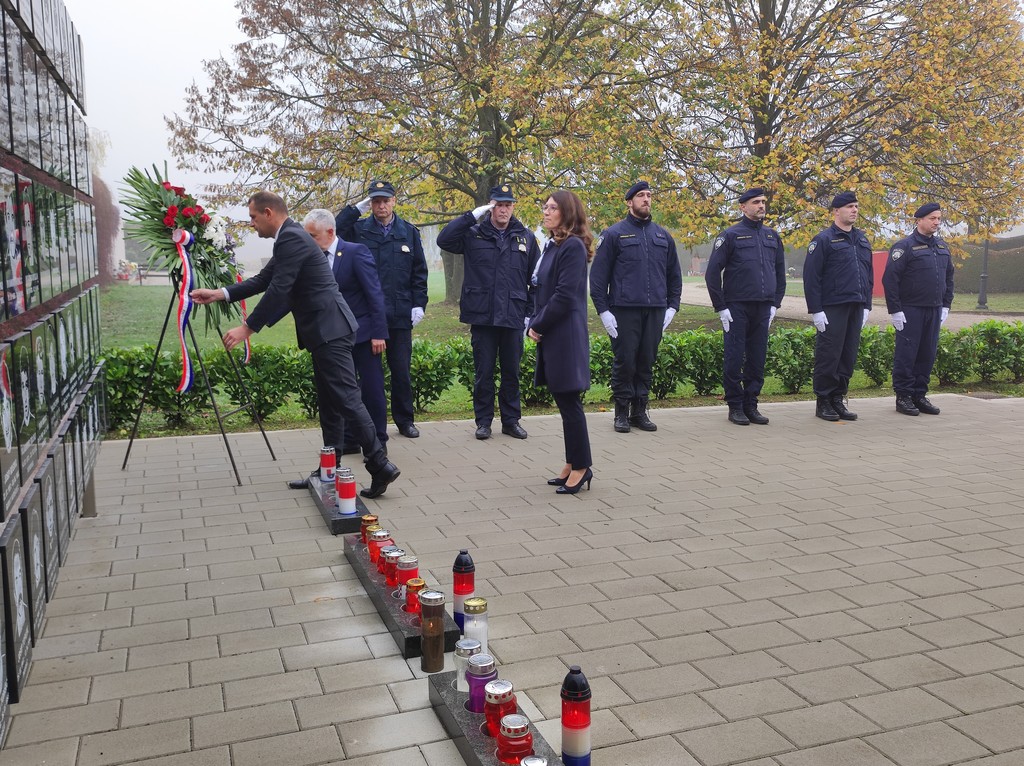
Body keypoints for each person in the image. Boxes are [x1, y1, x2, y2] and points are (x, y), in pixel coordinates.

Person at [191, 191, 400, 498]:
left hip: (330, 329)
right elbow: (263, 280)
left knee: (346, 399)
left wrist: (247, 328)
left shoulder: (291, 238)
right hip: (324, 330)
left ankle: (380, 464)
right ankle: (329, 471)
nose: (251, 224)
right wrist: (220, 293)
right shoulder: (291, 236)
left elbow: (279, 290)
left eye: (252, 217)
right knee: (331, 403)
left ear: (268, 213)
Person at [436, 184, 540, 440]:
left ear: (513, 207)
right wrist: (472, 215)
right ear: (491, 205)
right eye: (498, 204)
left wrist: (530, 314)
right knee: (484, 372)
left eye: (507, 204)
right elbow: (444, 239)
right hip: (483, 316)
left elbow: (536, 280)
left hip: (513, 315)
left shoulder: (525, 236)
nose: (503, 209)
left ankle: (511, 421)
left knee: (511, 372)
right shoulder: (473, 234)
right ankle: (483, 422)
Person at [336, 181, 428, 439]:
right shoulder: (358, 229)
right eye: (376, 201)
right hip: (366, 316)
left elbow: (419, 272)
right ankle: (368, 424)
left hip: (399, 314)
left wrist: (419, 303)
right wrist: (355, 210)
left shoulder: (408, 232)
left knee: (401, 371)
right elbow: (333, 229)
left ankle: (405, 420)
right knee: (369, 376)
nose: (381, 206)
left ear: (394, 201)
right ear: (371, 204)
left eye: (385, 200)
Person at [590, 180, 682, 433]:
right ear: (629, 202)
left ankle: (639, 412)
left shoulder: (662, 236)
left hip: (654, 310)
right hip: (624, 310)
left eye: (649, 195)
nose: (646, 199)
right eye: (641, 195)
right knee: (625, 361)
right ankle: (621, 412)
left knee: (646, 361)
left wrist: (672, 306)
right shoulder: (613, 234)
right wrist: (604, 311)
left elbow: (674, 275)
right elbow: (598, 278)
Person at [302, 208, 389, 463]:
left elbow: (374, 294)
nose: (309, 242)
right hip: (332, 337)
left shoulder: (355, 252)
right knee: (340, 393)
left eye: (313, 236)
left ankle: (379, 443)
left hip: (363, 334)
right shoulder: (312, 258)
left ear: (330, 232)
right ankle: (349, 441)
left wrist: (378, 333)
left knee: (371, 389)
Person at [527, 190, 594, 495]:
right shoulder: (553, 245)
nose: (546, 211)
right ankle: (572, 462)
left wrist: (537, 324)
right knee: (564, 401)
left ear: (567, 212)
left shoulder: (573, 248)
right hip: (554, 333)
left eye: (552, 208)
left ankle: (581, 467)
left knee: (570, 402)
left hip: (564, 334)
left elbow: (565, 296)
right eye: (545, 207)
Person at [704, 187, 786, 425]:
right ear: (743, 207)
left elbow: (780, 273)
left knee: (757, 358)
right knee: (734, 357)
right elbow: (712, 274)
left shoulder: (772, 236)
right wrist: (721, 307)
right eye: (756, 202)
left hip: (763, 308)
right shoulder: (730, 235)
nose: (761, 205)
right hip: (736, 307)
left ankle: (752, 404)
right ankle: (735, 405)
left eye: (763, 201)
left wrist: (775, 304)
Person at [803, 191, 873, 422]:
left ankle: (838, 397)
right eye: (849, 206)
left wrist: (867, 305)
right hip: (833, 306)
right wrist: (816, 310)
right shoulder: (823, 240)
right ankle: (823, 400)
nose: (854, 210)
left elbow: (868, 275)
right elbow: (812, 277)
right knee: (829, 355)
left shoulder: (862, 239)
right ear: (836, 211)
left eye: (856, 206)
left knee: (847, 355)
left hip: (856, 304)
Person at [882, 202, 954, 416]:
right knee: (907, 354)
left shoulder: (941, 246)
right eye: (932, 218)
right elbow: (890, 280)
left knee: (927, 353)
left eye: (939, 219)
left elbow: (949, 277)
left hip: (933, 309)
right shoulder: (904, 247)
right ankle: (903, 396)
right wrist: (895, 310)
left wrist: (946, 305)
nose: (937, 222)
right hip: (910, 310)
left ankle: (919, 395)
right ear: (919, 220)